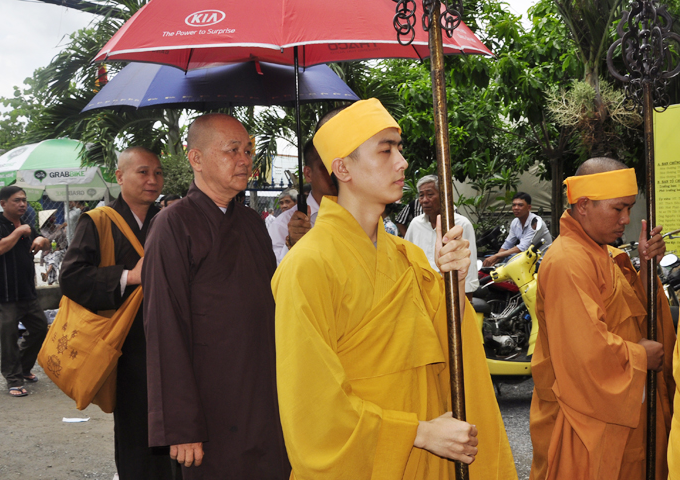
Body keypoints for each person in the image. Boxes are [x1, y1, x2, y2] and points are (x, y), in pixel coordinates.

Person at [272, 99, 516, 479]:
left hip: (428, 461)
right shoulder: (306, 267)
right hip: (367, 464)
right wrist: (420, 433)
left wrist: (453, 282)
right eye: (386, 150)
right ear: (342, 168)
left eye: (399, 149)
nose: (402, 162)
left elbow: (450, 350)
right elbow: (314, 407)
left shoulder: (410, 259)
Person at [142, 114, 291, 480]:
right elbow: (164, 327)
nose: (244, 160)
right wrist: (181, 425)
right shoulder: (172, 224)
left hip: (263, 390)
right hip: (210, 403)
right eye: (232, 150)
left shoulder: (252, 224)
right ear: (196, 158)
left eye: (248, 151)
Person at [529, 158, 676, 480]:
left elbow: (635, 316)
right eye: (618, 208)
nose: (626, 219)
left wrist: (647, 266)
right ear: (583, 205)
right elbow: (584, 354)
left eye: (630, 208)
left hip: (624, 411)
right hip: (586, 423)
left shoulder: (603, 253)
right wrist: (640, 356)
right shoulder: (568, 260)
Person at [60, 147, 176, 479]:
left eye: (158, 173)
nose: (152, 180)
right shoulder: (98, 221)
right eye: (143, 172)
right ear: (119, 176)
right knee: (136, 430)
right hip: (127, 346)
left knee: (177, 426)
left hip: (170, 340)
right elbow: (71, 278)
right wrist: (128, 276)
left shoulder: (169, 220)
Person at [0, 186, 50, 397]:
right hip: (6, 293)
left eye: (24, 200)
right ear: (3, 203)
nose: (22, 204)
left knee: (40, 329)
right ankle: (13, 380)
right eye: (16, 200)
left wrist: (41, 240)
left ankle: (24, 367)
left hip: (28, 292)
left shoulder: (28, 226)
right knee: (9, 337)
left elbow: (47, 244)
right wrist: (19, 231)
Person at [405, 174, 479, 299]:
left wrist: (467, 297)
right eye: (421, 195)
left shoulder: (461, 224)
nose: (424, 200)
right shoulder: (415, 224)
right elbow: (406, 258)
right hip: (419, 291)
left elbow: (469, 264)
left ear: (443, 196)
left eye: (430, 194)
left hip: (449, 290)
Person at [267, 139, 337, 264]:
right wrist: (292, 243)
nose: (335, 172)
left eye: (341, 165)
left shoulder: (359, 215)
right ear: (308, 174)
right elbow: (276, 270)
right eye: (326, 167)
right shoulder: (282, 225)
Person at [483, 192, 552, 267]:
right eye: (514, 205)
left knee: (510, 259)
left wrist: (496, 256)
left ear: (529, 207)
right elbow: (508, 244)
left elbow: (522, 248)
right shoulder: (515, 222)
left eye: (520, 205)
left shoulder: (536, 222)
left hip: (541, 262)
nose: (516, 208)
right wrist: (493, 262)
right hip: (527, 260)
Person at [38, 209, 67, 285]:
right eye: (52, 216)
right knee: (50, 257)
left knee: (55, 255)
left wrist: (59, 247)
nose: (55, 217)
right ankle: (50, 279)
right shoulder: (43, 230)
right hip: (48, 251)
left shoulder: (57, 226)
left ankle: (47, 274)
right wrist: (59, 230)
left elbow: (65, 240)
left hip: (60, 250)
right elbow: (49, 238)